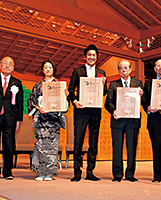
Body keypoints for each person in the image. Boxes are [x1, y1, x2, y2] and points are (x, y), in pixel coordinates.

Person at [68, 44, 107, 182]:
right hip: (81, 110)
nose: (91, 57)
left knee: (93, 142)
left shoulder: (102, 72)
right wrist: (75, 101)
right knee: (78, 140)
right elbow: (71, 89)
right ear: (85, 57)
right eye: (89, 55)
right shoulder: (77, 71)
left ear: (97, 57)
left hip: (96, 111)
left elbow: (105, 92)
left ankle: (90, 171)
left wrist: (103, 83)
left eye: (94, 55)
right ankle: (77, 172)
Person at [105, 59, 146, 182]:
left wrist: (142, 94)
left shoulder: (138, 83)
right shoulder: (113, 84)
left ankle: (130, 174)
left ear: (130, 69)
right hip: (118, 120)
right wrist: (114, 111)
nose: (124, 70)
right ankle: (117, 174)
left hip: (133, 121)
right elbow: (108, 103)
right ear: (118, 70)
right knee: (117, 147)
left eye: (126, 68)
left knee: (132, 147)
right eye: (121, 68)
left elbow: (143, 102)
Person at [27, 59, 68, 181]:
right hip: (41, 119)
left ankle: (49, 173)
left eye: (50, 67)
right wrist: (38, 108)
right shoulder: (37, 85)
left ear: (54, 69)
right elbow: (31, 101)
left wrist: (65, 96)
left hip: (53, 120)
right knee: (40, 145)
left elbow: (64, 105)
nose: (48, 69)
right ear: (43, 70)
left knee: (51, 146)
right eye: (45, 67)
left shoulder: (59, 85)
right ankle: (40, 173)